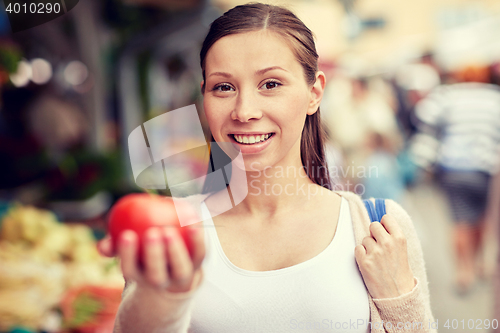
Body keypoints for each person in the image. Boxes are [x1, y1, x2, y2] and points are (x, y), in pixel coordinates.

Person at [99, 3, 435, 332]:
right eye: (224, 87)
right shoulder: (172, 229)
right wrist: (159, 297)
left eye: (270, 84)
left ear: (314, 93)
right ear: (204, 99)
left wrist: (399, 300)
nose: (244, 111)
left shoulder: (379, 227)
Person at [412, 65, 500, 293]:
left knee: (460, 221)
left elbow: (422, 114)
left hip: (454, 168)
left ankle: (463, 271)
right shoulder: (494, 97)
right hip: (486, 168)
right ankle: (480, 262)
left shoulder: (448, 96)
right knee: (481, 219)